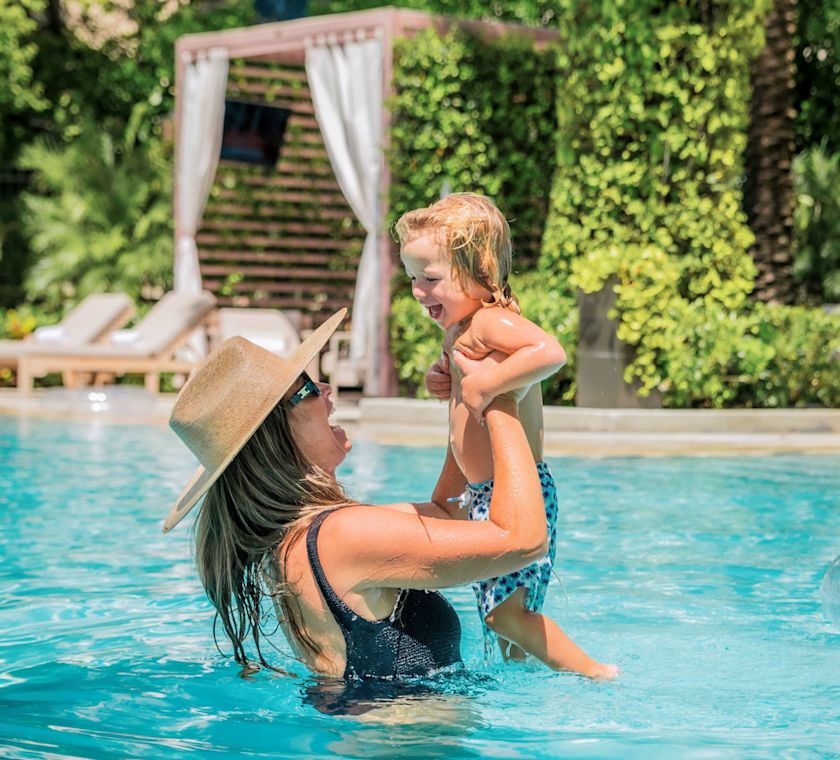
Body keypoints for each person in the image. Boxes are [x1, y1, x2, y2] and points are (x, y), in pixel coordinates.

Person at [162, 308, 551, 682]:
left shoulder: (301, 539)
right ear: (276, 438)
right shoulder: (341, 535)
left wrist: (462, 401)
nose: (328, 389)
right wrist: (501, 398)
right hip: (404, 746)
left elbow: (445, 515)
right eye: (309, 389)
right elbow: (523, 541)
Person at [395, 193, 618, 680]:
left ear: (481, 269)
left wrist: (488, 382)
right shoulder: (458, 329)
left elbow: (550, 352)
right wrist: (447, 380)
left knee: (506, 616)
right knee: (502, 626)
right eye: (412, 278)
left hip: (517, 494)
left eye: (429, 278)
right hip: (482, 493)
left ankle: (597, 674)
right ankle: (526, 683)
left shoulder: (494, 320)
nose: (417, 290)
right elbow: (465, 414)